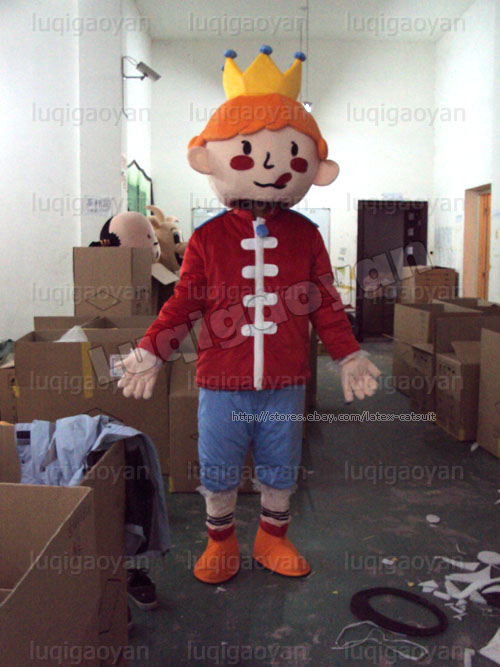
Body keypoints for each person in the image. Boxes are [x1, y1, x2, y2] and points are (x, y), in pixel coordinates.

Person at [118, 46, 381, 584]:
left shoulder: (306, 236)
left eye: (290, 153)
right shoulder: (209, 238)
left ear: (313, 168)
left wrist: (349, 353)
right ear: (210, 158)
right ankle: (220, 543)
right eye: (247, 151)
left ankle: (272, 537)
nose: (270, 165)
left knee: (281, 465)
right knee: (218, 465)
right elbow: (183, 303)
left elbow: (326, 302)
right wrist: (152, 349)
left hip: (286, 380)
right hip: (222, 381)